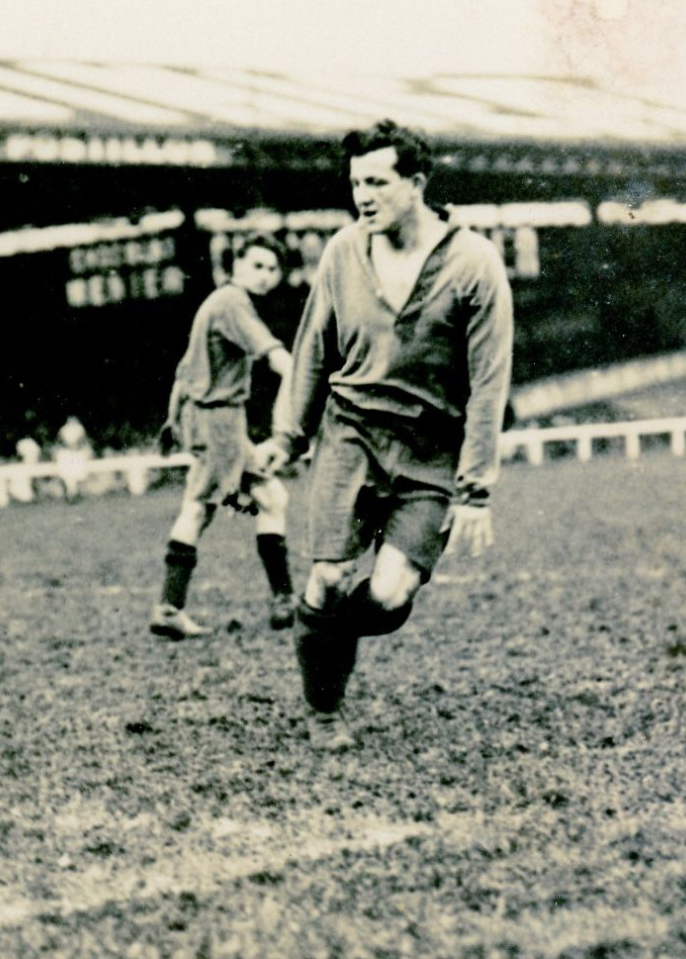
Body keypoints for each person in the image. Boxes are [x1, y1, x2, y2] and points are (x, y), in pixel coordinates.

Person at [261, 119, 514, 751]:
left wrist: (475, 491)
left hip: (431, 450)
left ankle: (318, 634)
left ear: (417, 183)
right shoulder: (343, 251)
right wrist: (287, 437)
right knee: (327, 580)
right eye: (356, 183)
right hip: (351, 434)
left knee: (391, 593)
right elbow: (313, 349)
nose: (363, 196)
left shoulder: (474, 263)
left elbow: (489, 383)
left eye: (378, 181)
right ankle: (325, 710)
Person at [150, 232, 297, 640]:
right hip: (220, 421)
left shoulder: (217, 302)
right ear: (236, 265)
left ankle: (283, 602)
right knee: (200, 508)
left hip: (213, 419)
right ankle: (169, 608)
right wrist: (309, 383)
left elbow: (183, 370)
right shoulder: (233, 302)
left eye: (272, 269)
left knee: (270, 498)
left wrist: (171, 420)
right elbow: (273, 354)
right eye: (257, 266)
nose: (266, 275)